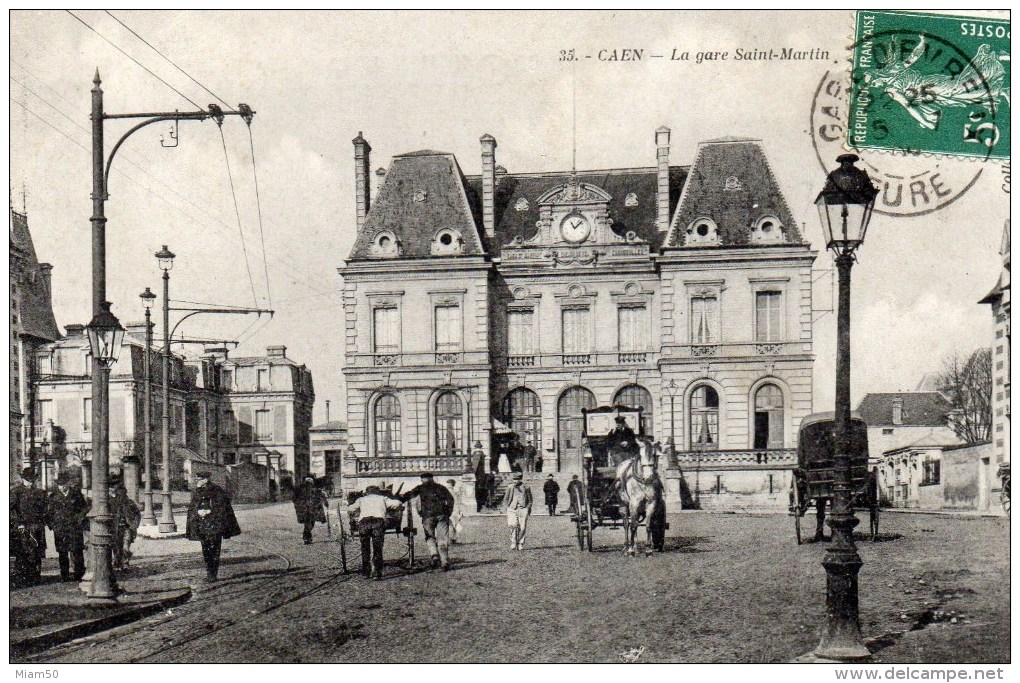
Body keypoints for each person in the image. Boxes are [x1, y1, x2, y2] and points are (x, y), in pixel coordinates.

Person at [186, 471, 241, 582]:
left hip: (214, 526)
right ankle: (209, 573)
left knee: (214, 550)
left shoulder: (217, 491)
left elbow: (223, 508)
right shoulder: (197, 492)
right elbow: (193, 507)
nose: (196, 481)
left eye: (198, 479)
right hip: (202, 526)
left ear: (205, 480)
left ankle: (212, 575)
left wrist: (209, 511)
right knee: (205, 550)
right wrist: (198, 512)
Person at [399, 472, 455, 571]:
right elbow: (451, 499)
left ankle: (434, 555)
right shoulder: (441, 487)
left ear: (422, 479)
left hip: (427, 516)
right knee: (443, 538)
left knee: (429, 537)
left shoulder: (420, 487)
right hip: (442, 515)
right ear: (432, 478)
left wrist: (398, 499)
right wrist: (448, 512)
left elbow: (409, 495)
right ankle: (445, 561)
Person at [347, 485, 402, 579]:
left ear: (367, 492)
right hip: (378, 523)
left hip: (364, 523)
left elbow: (351, 509)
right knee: (377, 548)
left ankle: (366, 572)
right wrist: (399, 503)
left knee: (365, 548)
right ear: (378, 492)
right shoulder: (383, 498)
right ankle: (377, 573)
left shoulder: (361, 499)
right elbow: (396, 504)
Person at [46, 470, 89, 582]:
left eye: (64, 484)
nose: (62, 487)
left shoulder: (76, 494)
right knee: (62, 552)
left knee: (77, 551)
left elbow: (84, 508)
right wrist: (53, 525)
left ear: (68, 483)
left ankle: (79, 574)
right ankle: (64, 575)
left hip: (74, 527)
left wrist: (79, 519)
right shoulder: (53, 496)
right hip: (60, 529)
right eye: (60, 485)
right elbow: (49, 513)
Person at [10, 466, 47, 585]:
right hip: (23, 527)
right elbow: (10, 510)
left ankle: (35, 577)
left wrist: (42, 521)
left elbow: (44, 510)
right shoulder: (16, 492)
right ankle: (22, 578)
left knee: (36, 552)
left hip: (37, 527)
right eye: (27, 480)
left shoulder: (40, 493)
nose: (30, 482)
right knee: (23, 552)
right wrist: (18, 523)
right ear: (23, 479)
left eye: (32, 480)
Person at [109, 476, 142, 569]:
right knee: (116, 547)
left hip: (126, 527)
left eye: (114, 486)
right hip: (114, 528)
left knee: (125, 546)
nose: (112, 488)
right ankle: (117, 562)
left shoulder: (126, 501)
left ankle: (125, 563)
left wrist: (134, 525)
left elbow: (137, 514)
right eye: (110, 486)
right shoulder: (107, 501)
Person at [293, 475, 327, 544]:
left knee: (309, 524)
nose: (309, 484)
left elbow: (321, 496)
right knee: (310, 524)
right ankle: (306, 538)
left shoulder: (312, 490)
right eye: (309, 482)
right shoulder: (303, 490)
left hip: (307, 510)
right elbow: (295, 498)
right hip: (307, 510)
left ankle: (307, 537)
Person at [502, 471, 532, 550]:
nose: (515, 481)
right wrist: (507, 507)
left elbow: (530, 499)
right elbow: (505, 499)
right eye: (514, 479)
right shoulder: (510, 487)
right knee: (512, 524)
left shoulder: (526, 487)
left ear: (520, 479)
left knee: (522, 527)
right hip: (512, 509)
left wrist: (528, 507)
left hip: (523, 509)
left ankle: (520, 543)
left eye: (516, 479)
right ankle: (513, 542)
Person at [446, 479, 464, 544]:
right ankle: (454, 538)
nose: (447, 486)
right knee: (455, 524)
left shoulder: (448, 492)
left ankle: (453, 538)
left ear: (451, 484)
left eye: (448, 484)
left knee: (451, 524)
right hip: (455, 510)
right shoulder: (455, 492)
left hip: (451, 510)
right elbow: (459, 502)